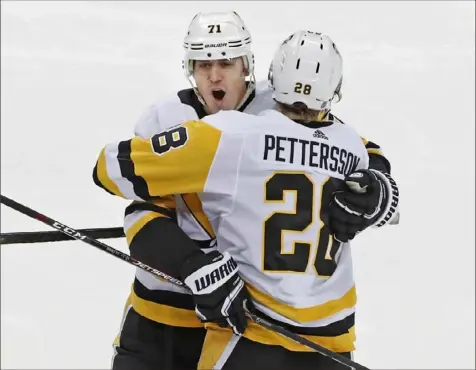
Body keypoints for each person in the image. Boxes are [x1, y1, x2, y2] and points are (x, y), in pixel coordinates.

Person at [93, 30, 400, 370]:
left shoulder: (230, 133)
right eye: (204, 63)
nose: (215, 74)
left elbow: (108, 169)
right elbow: (382, 192)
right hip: (327, 341)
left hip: (247, 332)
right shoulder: (351, 147)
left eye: (226, 62)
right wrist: (383, 190)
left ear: (255, 70)